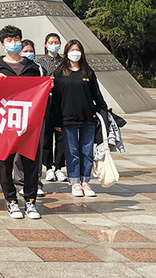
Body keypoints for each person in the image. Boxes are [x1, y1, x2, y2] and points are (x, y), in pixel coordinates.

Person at [0, 25, 42, 220]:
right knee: (4, 165)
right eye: (9, 41)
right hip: (4, 125)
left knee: (31, 163)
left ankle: (31, 201)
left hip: (28, 123)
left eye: (16, 39)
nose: (13, 43)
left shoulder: (33, 67)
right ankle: (11, 200)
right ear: (3, 45)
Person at [51, 40, 107, 198]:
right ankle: (75, 182)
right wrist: (56, 121)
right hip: (67, 119)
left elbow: (97, 95)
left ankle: (85, 181)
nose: (75, 52)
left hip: (88, 118)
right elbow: (56, 100)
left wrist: (104, 112)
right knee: (72, 152)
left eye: (78, 50)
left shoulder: (88, 72)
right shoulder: (59, 73)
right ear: (66, 53)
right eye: (72, 49)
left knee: (87, 152)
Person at [13, 39, 46, 198]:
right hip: (17, 113)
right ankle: (20, 182)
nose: (28, 54)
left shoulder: (38, 68)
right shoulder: (14, 68)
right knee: (19, 150)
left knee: (35, 149)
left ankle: (36, 182)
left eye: (30, 51)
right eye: (25, 51)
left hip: (36, 113)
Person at [35, 33, 66, 182]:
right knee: (46, 136)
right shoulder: (39, 62)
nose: (54, 45)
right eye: (51, 42)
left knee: (61, 137)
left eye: (57, 42)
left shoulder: (65, 62)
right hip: (46, 102)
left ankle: (59, 167)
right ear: (45, 44)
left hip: (62, 102)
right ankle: (48, 167)